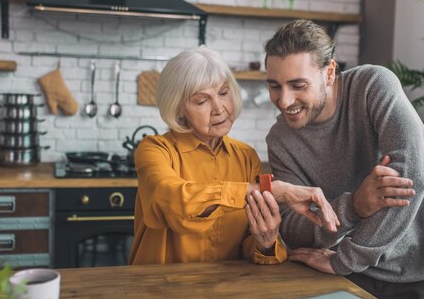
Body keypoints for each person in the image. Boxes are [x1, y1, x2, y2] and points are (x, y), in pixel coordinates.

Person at [262, 20, 424, 299]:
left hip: (422, 273)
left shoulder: (372, 86)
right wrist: (354, 205)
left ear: (329, 73)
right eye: (274, 86)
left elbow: (411, 180)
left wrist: (347, 258)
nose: (284, 101)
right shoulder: (280, 139)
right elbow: (293, 226)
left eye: (298, 85)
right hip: (353, 275)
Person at [128, 47, 340, 265]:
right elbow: (172, 201)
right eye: (202, 101)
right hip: (161, 289)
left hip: (227, 290)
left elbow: (249, 244)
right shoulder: (154, 149)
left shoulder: (246, 157)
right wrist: (265, 190)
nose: (219, 109)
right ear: (178, 109)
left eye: (223, 93)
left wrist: (264, 243)